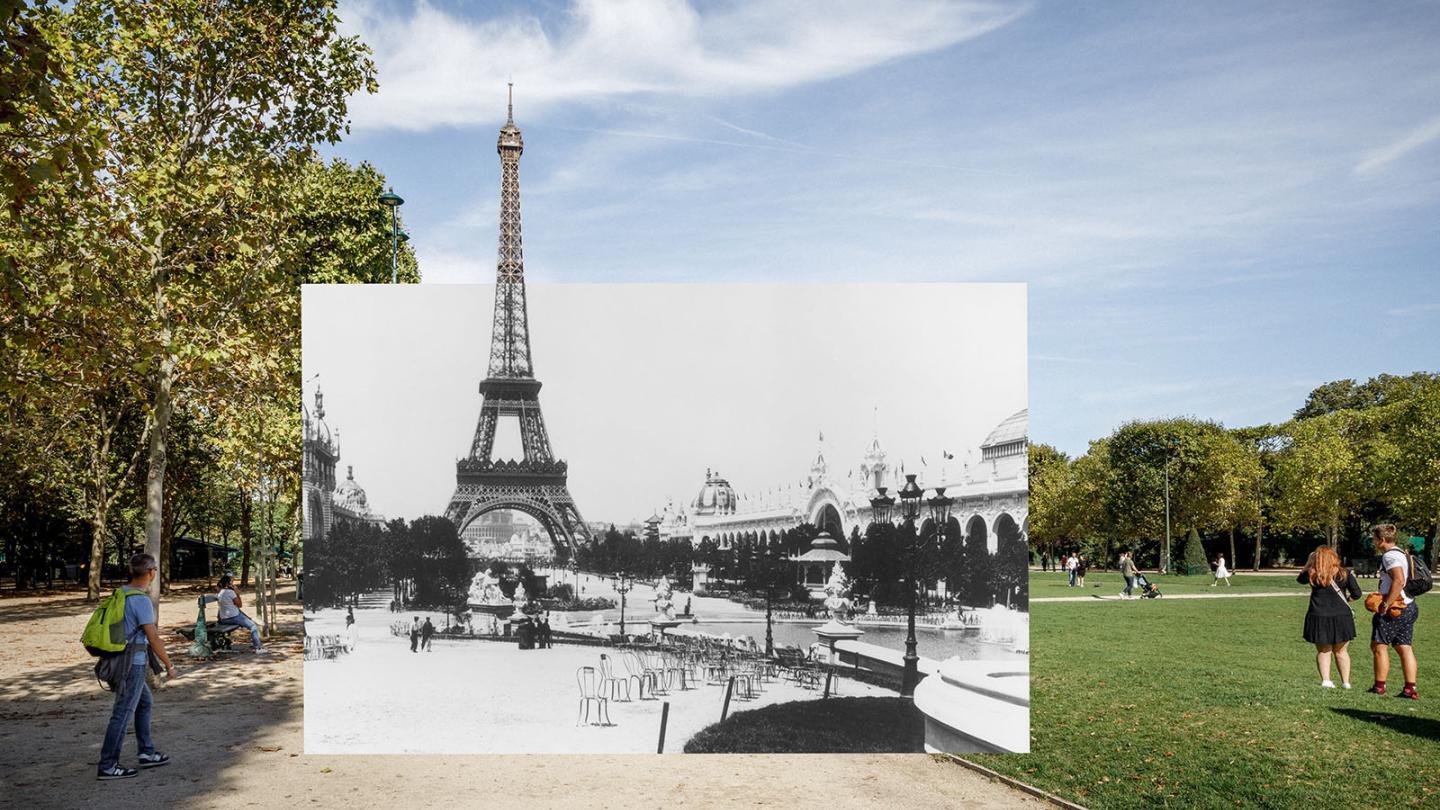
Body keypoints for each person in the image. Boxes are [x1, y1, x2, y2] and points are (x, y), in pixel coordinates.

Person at [97, 553, 175, 780]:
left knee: (144, 703)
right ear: (150, 572)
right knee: (122, 713)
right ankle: (108, 764)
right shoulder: (141, 600)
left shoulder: (120, 594)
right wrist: (169, 664)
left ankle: (146, 752)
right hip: (134, 664)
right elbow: (153, 638)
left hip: (119, 660)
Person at [1299, 546, 1362, 688]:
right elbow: (1357, 593)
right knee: (1341, 651)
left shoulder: (1312, 573)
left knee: (1324, 650)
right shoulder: (1345, 573)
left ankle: (1326, 680)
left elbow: (1300, 579)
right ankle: (1346, 682)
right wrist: (1347, 600)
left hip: (1319, 615)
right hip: (1342, 616)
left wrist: (1309, 562)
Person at [1369, 524, 1419, 699]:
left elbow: (1399, 580)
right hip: (1409, 605)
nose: (1373, 542)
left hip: (1395, 607)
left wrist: (1386, 604)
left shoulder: (1390, 557)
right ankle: (1410, 688)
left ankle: (1379, 686)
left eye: (1374, 539)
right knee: (1404, 646)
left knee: (1379, 645)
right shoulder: (1402, 553)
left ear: (1382, 540)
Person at [215, 575, 265, 654]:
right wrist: (237, 593)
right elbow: (239, 604)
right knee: (253, 626)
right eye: (232, 582)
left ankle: (250, 619)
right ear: (228, 583)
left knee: (239, 612)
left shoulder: (220, 592)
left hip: (224, 618)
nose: (233, 584)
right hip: (233, 617)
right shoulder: (230, 592)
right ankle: (258, 647)